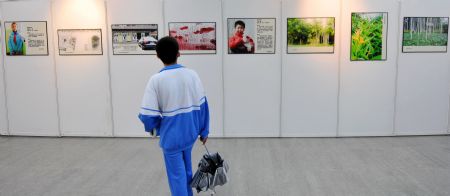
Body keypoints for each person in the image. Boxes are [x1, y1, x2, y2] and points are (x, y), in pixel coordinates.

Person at [138, 36, 209, 196]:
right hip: (190, 134)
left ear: (157, 56)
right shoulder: (192, 75)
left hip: (171, 138)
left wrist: (154, 128)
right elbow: (203, 105)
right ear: (179, 53)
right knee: (187, 171)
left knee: (176, 176)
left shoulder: (156, 80)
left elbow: (148, 116)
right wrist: (204, 130)